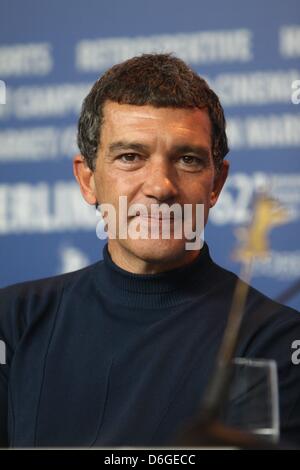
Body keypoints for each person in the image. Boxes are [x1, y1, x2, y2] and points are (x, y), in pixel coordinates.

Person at [0, 53, 299, 448]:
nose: (161, 186)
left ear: (216, 184)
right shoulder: (13, 321)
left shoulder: (275, 340)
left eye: (187, 159)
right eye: (130, 157)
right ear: (87, 179)